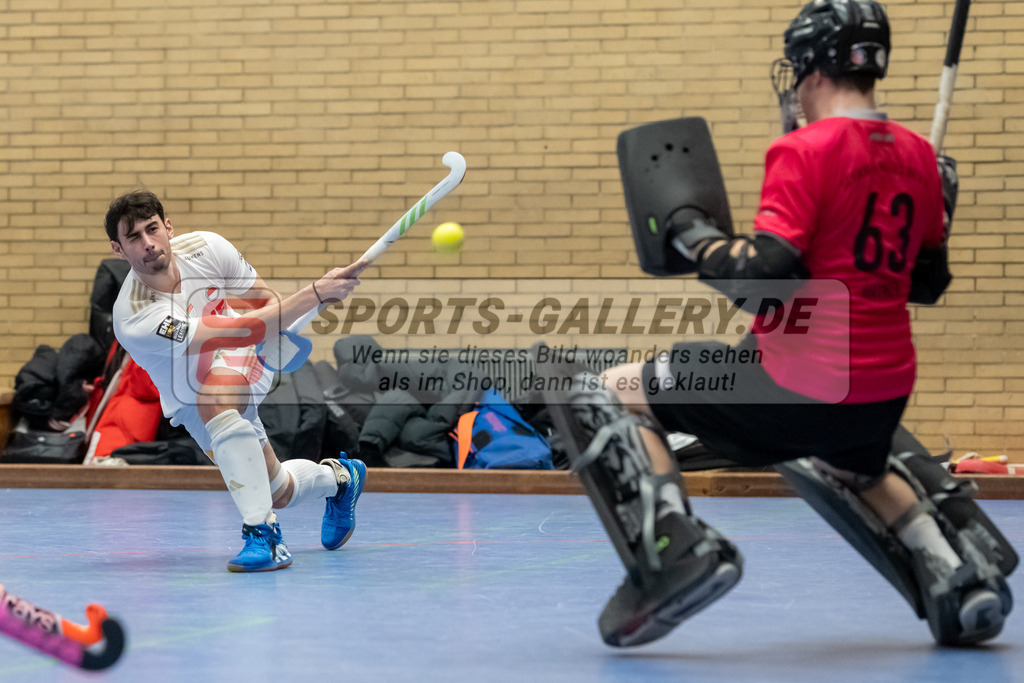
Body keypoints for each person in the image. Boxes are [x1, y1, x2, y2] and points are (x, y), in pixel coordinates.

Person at [542, 0, 1015, 648]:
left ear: (812, 70)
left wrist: (691, 236)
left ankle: (674, 548)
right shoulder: (917, 158)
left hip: (799, 386)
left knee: (610, 389)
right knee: (856, 466)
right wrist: (941, 214)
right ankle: (956, 571)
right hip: (880, 392)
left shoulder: (805, 150)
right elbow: (927, 283)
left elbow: (761, 280)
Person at [105, 190, 370, 572]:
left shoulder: (207, 248)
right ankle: (341, 479)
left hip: (242, 357)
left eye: (152, 229)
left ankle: (264, 536)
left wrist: (298, 310)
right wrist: (315, 293)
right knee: (276, 490)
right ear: (119, 249)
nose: (148, 243)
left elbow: (263, 302)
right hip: (192, 395)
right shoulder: (135, 315)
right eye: (134, 237)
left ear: (168, 226)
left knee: (214, 397)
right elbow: (233, 331)